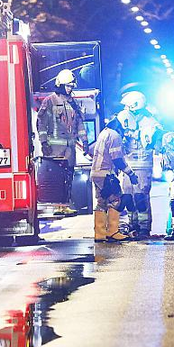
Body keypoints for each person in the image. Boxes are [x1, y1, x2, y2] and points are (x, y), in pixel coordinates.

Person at [36, 69, 90, 216]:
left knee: (69, 176)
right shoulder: (50, 101)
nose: (70, 89)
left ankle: (65, 204)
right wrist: (44, 142)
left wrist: (85, 141)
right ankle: (59, 206)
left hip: (70, 149)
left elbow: (79, 123)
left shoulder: (73, 102)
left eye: (72, 86)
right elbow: (41, 123)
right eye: (68, 86)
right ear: (60, 85)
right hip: (54, 149)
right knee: (58, 178)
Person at [117, 90, 161, 239]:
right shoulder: (124, 118)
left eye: (128, 107)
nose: (125, 110)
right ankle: (133, 224)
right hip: (127, 165)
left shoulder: (150, 121)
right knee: (128, 196)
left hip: (142, 165)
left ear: (135, 106)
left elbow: (153, 138)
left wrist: (134, 134)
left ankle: (144, 228)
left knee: (140, 196)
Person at [91, 116, 137, 242]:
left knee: (101, 203)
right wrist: (131, 174)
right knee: (115, 201)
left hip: (96, 173)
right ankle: (112, 232)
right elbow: (117, 159)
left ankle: (100, 234)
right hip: (107, 174)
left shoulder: (104, 133)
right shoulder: (114, 135)